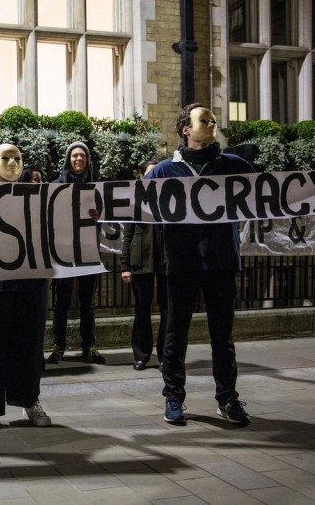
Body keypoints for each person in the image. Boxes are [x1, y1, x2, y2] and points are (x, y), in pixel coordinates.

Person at [147, 103, 254, 425]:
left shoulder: (235, 166)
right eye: (203, 120)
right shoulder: (165, 170)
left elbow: (270, 195)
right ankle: (173, 397)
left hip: (221, 261)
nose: (212, 124)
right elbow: (135, 205)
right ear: (186, 129)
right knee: (175, 334)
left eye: (213, 120)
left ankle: (228, 398)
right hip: (182, 262)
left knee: (223, 337)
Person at [0, 143, 51, 433]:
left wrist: (84, 218)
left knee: (29, 342)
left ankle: (29, 400)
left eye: (18, 157)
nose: (13, 163)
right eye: (6, 158)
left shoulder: (41, 196)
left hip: (29, 280)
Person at [47, 142, 105, 365]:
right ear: (68, 159)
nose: (78, 159)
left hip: (88, 251)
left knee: (87, 302)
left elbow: (107, 219)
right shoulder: (55, 186)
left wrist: (99, 216)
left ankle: (88, 346)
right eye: (75, 156)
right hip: (63, 252)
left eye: (82, 156)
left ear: (87, 160)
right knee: (61, 302)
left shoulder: (96, 188)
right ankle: (58, 346)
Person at [120, 160, 168, 372]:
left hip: (166, 261)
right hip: (141, 260)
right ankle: (142, 355)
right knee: (142, 309)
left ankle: (166, 355)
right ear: (141, 178)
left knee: (168, 310)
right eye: (148, 175)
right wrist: (125, 265)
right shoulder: (135, 201)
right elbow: (128, 234)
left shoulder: (169, 199)